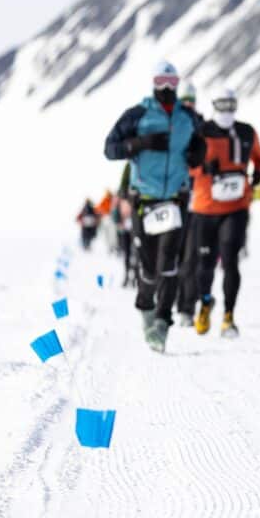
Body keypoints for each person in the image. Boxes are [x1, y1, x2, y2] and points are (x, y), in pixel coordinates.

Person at [103, 60, 206, 352]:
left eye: (172, 82)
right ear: (153, 83)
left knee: (169, 265)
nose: (166, 87)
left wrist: (199, 151)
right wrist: (140, 143)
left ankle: (162, 323)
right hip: (144, 201)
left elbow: (202, 142)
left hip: (175, 199)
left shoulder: (188, 117)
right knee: (148, 270)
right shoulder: (137, 115)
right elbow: (109, 149)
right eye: (161, 81)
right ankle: (146, 308)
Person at [188, 89, 260, 338]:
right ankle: (205, 302)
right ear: (214, 105)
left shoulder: (246, 132)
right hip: (205, 208)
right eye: (222, 105)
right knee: (205, 263)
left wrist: (257, 174)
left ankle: (229, 316)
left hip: (236, 207)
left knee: (231, 260)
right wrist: (203, 168)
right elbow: (187, 164)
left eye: (231, 104)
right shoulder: (200, 132)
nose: (226, 110)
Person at [175, 78, 203, 327]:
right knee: (171, 254)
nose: (188, 105)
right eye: (184, 101)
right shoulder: (169, 126)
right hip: (171, 198)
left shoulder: (203, 127)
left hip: (197, 200)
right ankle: (171, 299)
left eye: (191, 101)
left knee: (191, 257)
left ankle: (187, 307)